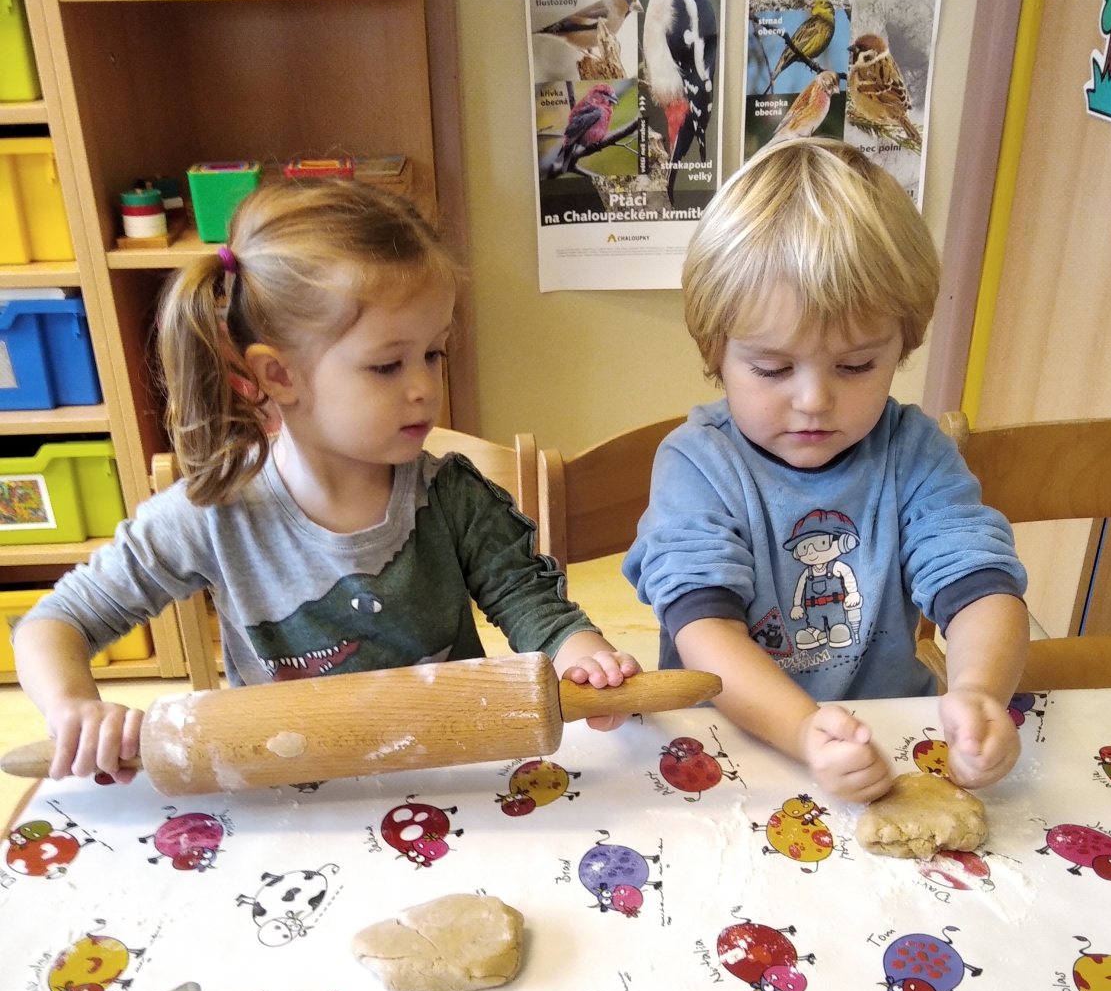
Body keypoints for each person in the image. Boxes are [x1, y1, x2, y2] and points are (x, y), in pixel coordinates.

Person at [15, 179, 639, 782]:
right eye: (387, 364)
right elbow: (55, 623)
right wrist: (74, 708)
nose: (424, 387)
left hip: (448, 774)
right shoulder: (212, 513)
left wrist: (585, 659)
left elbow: (534, 608)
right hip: (288, 787)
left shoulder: (453, 496)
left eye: (433, 353)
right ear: (279, 375)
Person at [624, 139, 1028, 803]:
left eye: (856, 365)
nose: (814, 400)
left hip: (887, 741)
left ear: (903, 346)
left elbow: (980, 586)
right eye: (772, 368)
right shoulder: (697, 463)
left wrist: (980, 690)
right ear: (715, 352)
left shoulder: (914, 452)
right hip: (730, 749)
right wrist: (803, 730)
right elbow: (704, 630)